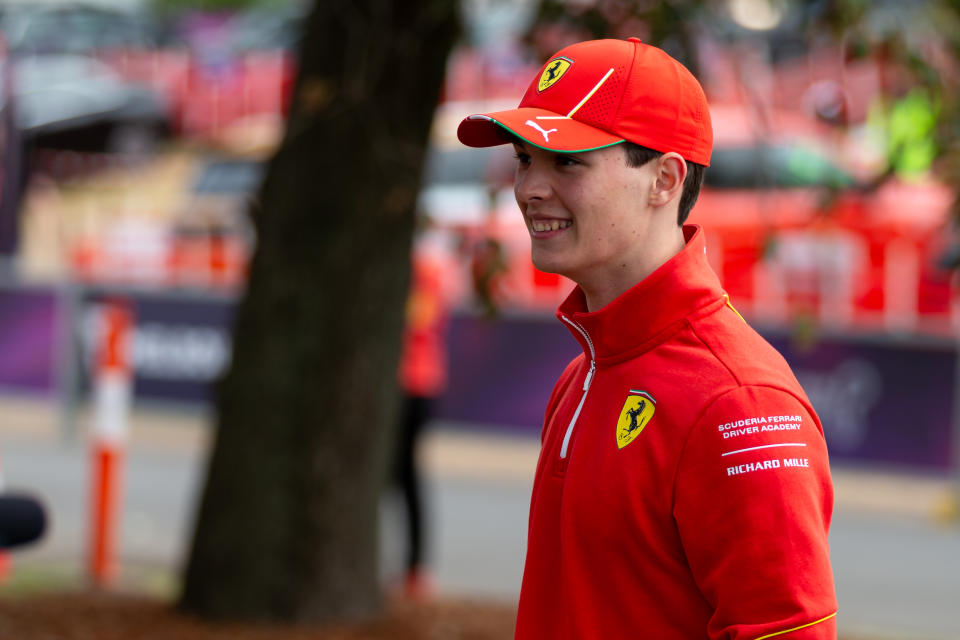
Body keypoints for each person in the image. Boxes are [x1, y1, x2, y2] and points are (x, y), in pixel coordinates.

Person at [457, 38, 837, 639]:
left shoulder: (740, 404)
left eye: (567, 162)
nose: (529, 188)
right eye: (525, 159)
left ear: (665, 179)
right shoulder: (587, 368)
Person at [391, 228, 451, 600]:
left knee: (405, 477)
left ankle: (414, 569)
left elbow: (420, 319)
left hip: (413, 384)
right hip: (401, 383)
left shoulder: (422, 271)